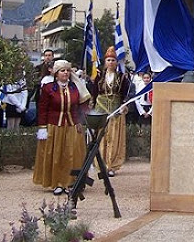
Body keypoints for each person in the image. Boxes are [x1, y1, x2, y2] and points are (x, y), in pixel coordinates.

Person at [33, 59, 86, 195]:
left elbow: (80, 106)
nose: (66, 73)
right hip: (54, 125)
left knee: (71, 154)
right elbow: (43, 108)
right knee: (56, 155)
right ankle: (57, 183)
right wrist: (42, 127)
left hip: (71, 125)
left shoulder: (74, 87)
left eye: (67, 70)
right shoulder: (48, 88)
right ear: (56, 73)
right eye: (63, 71)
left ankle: (70, 182)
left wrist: (79, 121)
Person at [92, 47, 130, 177]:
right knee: (101, 137)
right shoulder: (99, 76)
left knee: (114, 137)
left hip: (116, 110)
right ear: (105, 62)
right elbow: (94, 92)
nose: (111, 62)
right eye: (108, 60)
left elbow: (125, 93)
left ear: (117, 62)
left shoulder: (122, 77)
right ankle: (101, 163)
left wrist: (125, 104)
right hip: (101, 109)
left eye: (113, 60)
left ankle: (111, 165)